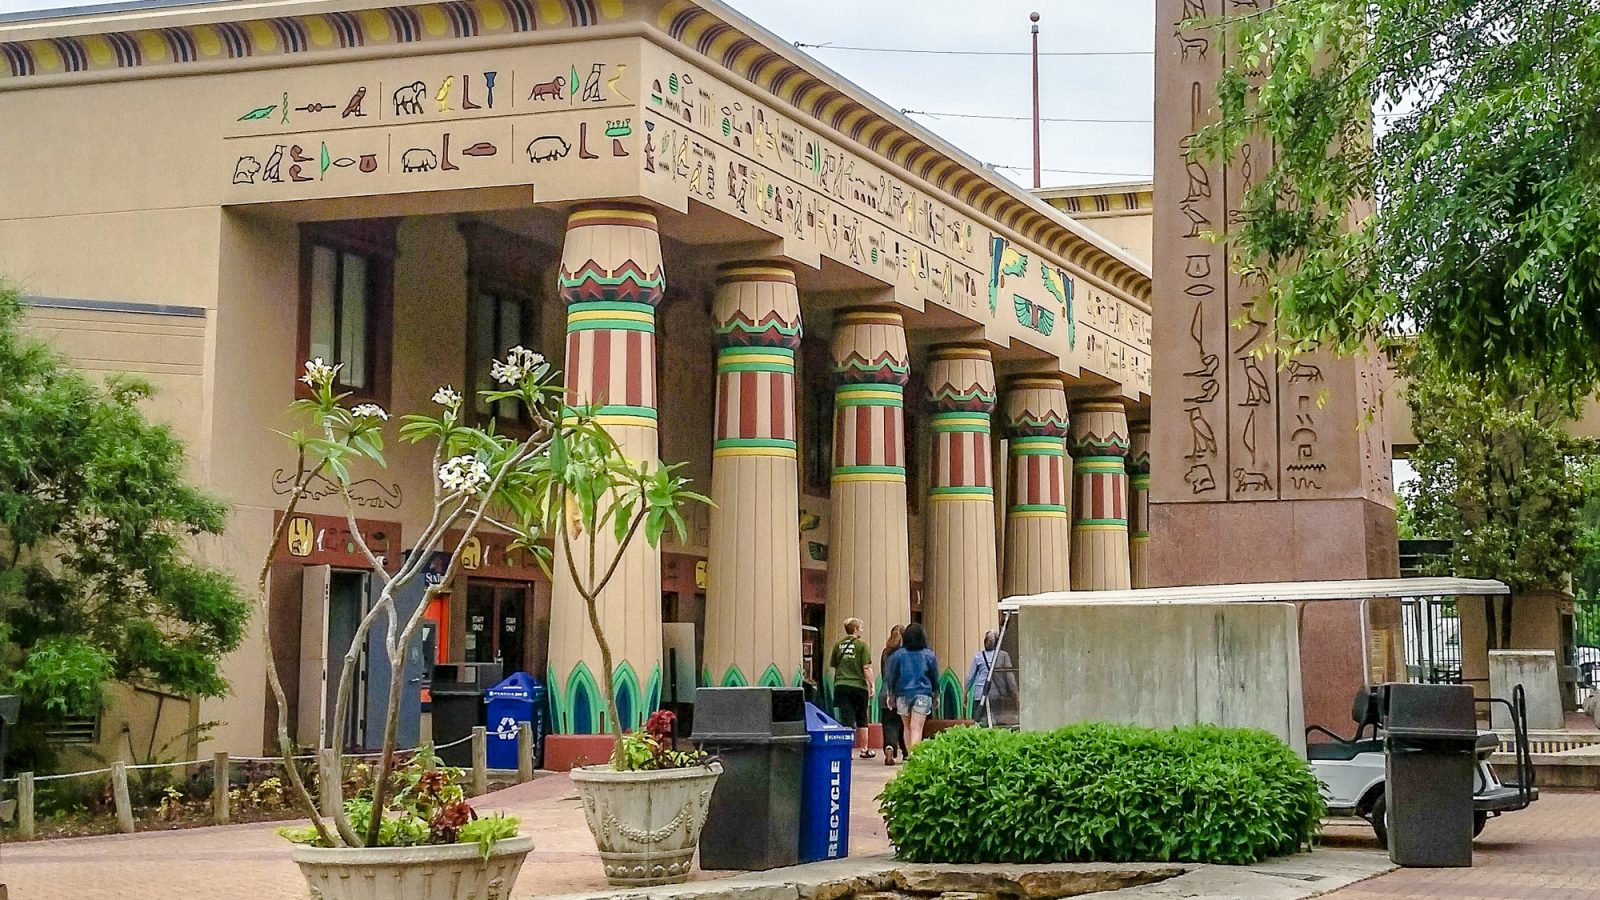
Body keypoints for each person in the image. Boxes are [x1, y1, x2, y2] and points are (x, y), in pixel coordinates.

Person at [885, 622, 938, 751]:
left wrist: (890, 693)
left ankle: (909, 756)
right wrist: (936, 693)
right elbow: (934, 676)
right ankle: (914, 758)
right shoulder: (929, 655)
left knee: (907, 727)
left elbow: (891, 675)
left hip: (902, 693)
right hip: (923, 693)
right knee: (917, 727)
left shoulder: (897, 655)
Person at [829, 617, 875, 758]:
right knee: (862, 717)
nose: (861, 630)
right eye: (860, 628)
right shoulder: (862, 646)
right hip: (858, 686)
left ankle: (847, 750)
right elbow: (866, 667)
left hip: (841, 685)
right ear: (855, 629)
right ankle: (864, 749)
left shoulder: (838, 644)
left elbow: (835, 665)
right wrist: (872, 685)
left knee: (847, 718)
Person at [965, 630, 1016, 726]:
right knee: (996, 722)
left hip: (984, 694)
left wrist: (965, 693)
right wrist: (1014, 692)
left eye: (990, 640)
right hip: (992, 695)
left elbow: (970, 676)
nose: (988, 642)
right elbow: (1009, 676)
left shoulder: (980, 656)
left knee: (979, 722)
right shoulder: (1002, 656)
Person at [879, 625, 908, 765]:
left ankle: (889, 746)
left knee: (889, 723)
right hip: (901, 692)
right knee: (903, 724)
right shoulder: (905, 653)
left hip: (885, 693)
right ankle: (905, 750)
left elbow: (884, 673)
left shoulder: (886, 652)